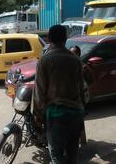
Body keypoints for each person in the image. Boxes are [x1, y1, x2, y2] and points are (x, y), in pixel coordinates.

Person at [33, 25, 85, 164]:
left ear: (49, 39)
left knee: (56, 155)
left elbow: (39, 91)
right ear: (66, 39)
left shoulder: (45, 60)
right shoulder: (75, 60)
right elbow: (82, 88)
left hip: (56, 116)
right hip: (76, 113)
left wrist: (38, 115)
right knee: (72, 153)